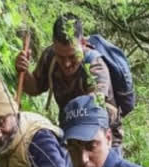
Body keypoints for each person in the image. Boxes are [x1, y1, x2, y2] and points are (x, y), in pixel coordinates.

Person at [14, 13, 124, 151]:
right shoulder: (50, 56)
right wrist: (22, 71)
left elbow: (93, 107)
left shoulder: (96, 66)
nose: (66, 64)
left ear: (83, 43)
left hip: (103, 139)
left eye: (72, 56)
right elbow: (35, 88)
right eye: (61, 57)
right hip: (70, 133)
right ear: (54, 44)